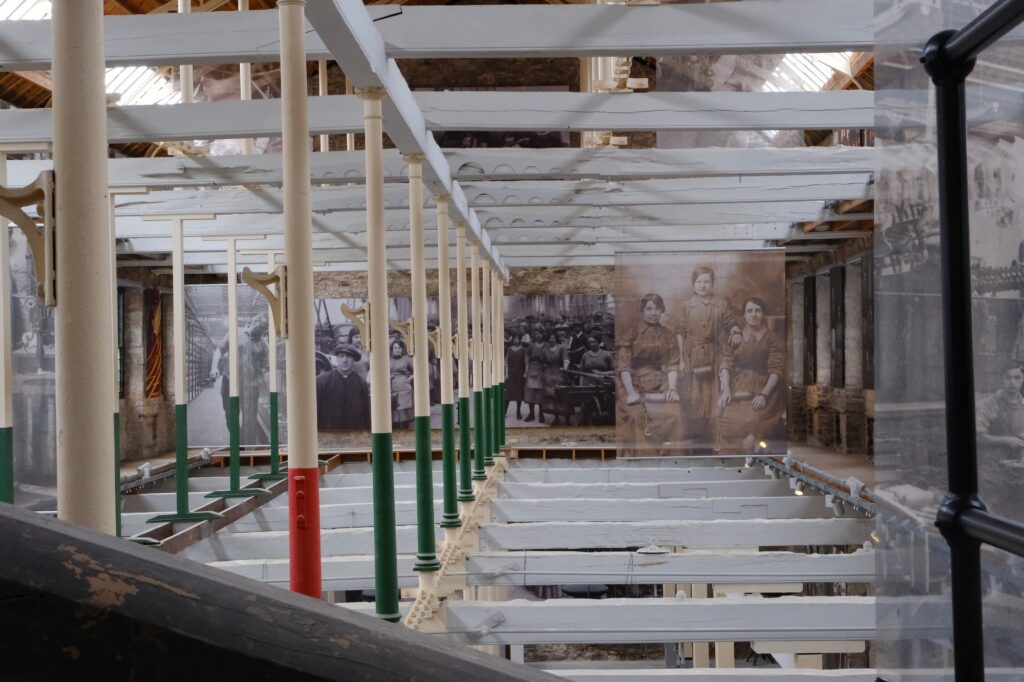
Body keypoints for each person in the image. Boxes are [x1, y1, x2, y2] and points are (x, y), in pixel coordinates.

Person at [676, 266, 742, 444]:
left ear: (712, 283)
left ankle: (712, 437)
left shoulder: (720, 303)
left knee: (712, 395)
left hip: (713, 354)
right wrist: (682, 360)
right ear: (693, 284)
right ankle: (695, 438)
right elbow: (680, 332)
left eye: (707, 281)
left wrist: (735, 330)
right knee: (694, 396)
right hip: (691, 354)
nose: (703, 285)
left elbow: (730, 322)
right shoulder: (687, 305)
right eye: (699, 282)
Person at [715, 297, 785, 451]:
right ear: (744, 315)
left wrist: (764, 394)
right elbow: (725, 365)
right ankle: (729, 456)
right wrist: (725, 390)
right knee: (724, 417)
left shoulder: (772, 338)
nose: (754, 314)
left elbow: (776, 370)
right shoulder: (735, 338)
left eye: (758, 311)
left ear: (763, 314)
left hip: (764, 387)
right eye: (749, 311)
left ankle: (752, 452)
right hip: (738, 386)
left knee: (753, 418)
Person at [618, 293, 684, 454]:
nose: (653, 313)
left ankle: (672, 456)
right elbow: (624, 367)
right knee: (636, 415)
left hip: (660, 382)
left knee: (675, 413)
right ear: (642, 311)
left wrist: (672, 388)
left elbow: (672, 364)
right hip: (632, 383)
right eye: (649, 309)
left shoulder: (668, 335)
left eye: (657, 309)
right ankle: (644, 457)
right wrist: (631, 392)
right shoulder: (632, 332)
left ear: (662, 310)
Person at [315, 342, 370, 430]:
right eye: (341, 356)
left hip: (354, 433)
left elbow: (366, 413)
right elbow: (315, 412)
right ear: (337, 358)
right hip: (329, 432)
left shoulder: (361, 383)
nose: (344, 360)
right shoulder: (322, 381)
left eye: (349, 357)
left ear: (354, 360)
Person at [977, 363, 1024, 461]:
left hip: (1019, 462)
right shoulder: (987, 405)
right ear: (1001, 379)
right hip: (992, 463)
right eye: (1008, 378)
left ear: (1023, 379)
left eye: (1017, 378)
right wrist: (1006, 440)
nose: (1012, 382)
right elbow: (978, 437)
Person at [540, 330, 569, 426]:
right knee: (552, 396)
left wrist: (564, 368)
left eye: (553, 337)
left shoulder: (562, 347)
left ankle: (567, 418)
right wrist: (544, 369)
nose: (551, 339)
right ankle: (556, 418)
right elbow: (542, 361)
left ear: (556, 338)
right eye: (549, 338)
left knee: (562, 395)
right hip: (549, 374)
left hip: (559, 372)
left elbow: (566, 359)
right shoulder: (545, 349)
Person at [524, 331, 548, 423]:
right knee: (530, 393)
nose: (538, 335)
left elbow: (548, 357)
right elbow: (527, 358)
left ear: (543, 334)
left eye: (540, 333)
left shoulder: (546, 345)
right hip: (531, 369)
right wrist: (526, 371)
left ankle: (541, 414)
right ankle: (531, 414)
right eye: (537, 334)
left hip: (542, 369)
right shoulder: (531, 345)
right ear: (534, 335)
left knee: (540, 393)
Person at [389, 338, 414, 429]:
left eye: (399, 348)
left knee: (405, 413)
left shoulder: (407, 359)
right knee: (394, 410)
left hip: (404, 387)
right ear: (392, 349)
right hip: (391, 386)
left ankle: (405, 428)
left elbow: (416, 371)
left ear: (402, 349)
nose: (397, 350)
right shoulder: (387, 359)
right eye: (395, 348)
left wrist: (409, 379)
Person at [505, 333, 528, 421]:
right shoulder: (509, 349)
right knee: (508, 393)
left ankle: (518, 411)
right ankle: (504, 411)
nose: (516, 340)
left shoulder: (524, 350)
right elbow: (506, 362)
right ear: (512, 339)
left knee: (519, 393)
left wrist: (525, 373)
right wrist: (506, 374)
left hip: (520, 373)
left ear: (520, 339)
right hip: (511, 373)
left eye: (518, 338)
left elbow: (526, 362)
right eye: (515, 338)